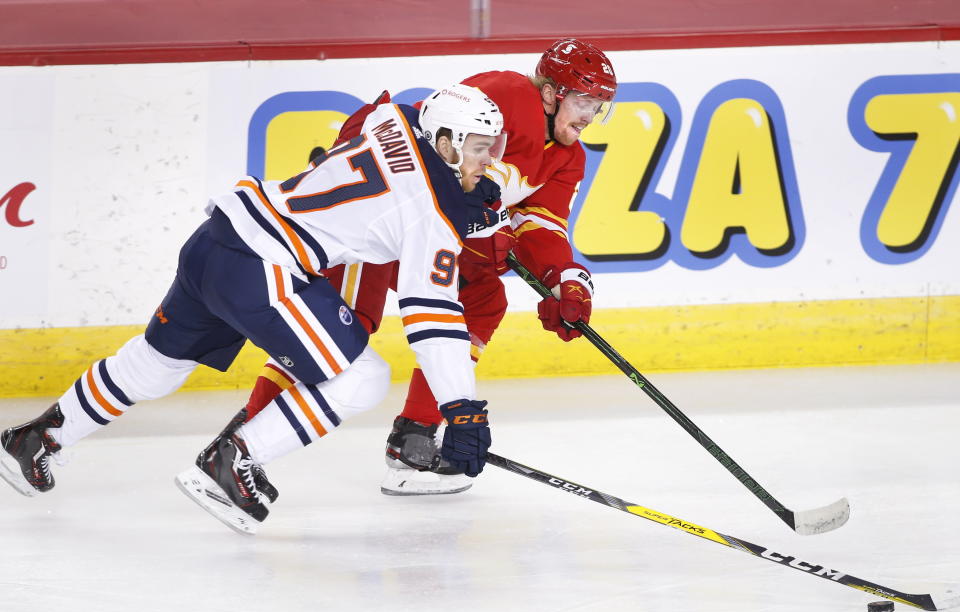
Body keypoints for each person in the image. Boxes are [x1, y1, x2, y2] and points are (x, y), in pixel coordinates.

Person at [0, 83, 506, 535]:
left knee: (158, 366)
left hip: (217, 239)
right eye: (480, 150)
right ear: (446, 144)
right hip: (261, 269)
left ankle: (38, 436)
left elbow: (397, 149)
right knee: (363, 378)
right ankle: (234, 458)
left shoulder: (392, 121)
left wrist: (466, 199)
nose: (488, 161)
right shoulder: (432, 218)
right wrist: (461, 408)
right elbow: (433, 317)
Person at [235, 38, 618, 497]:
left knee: (483, 299)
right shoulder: (511, 92)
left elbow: (541, 225)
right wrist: (479, 220)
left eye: (599, 106)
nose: (589, 116)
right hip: (384, 217)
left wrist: (565, 282)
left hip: (430, 236)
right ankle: (240, 443)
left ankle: (413, 438)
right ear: (553, 92)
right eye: (583, 101)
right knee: (345, 329)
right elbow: (432, 146)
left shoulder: (568, 159)